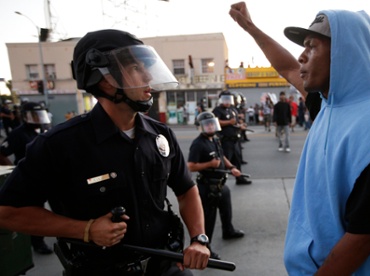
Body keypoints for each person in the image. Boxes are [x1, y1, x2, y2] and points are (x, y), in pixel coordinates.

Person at [0, 29, 210, 275]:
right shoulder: (59, 144)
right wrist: (85, 229)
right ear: (103, 79)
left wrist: (199, 239)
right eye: (135, 68)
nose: (147, 76)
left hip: (165, 264)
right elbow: (8, 213)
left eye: (147, 67)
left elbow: (186, 190)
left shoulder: (161, 135)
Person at [230, 3, 370, 275]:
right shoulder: (329, 106)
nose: (301, 56)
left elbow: (365, 235)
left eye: (311, 46)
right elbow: (288, 68)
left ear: (345, 54)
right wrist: (250, 28)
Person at [187, 112, 245, 260]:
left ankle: (228, 231)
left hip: (220, 184)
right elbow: (191, 166)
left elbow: (222, 155)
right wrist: (209, 164)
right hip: (207, 187)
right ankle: (206, 247)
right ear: (201, 127)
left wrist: (231, 167)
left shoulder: (215, 139)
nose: (210, 126)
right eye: (207, 125)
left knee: (227, 210)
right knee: (208, 218)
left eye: (212, 123)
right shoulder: (198, 144)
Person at [0, 102, 53, 255]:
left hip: (46, 176)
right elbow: (2, 152)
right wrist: (13, 169)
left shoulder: (44, 130)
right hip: (27, 178)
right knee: (34, 209)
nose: (37, 118)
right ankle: (37, 242)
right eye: (33, 115)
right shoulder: (18, 133)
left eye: (39, 114)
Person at [212, 91, 251, 185]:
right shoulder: (217, 110)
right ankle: (218, 183)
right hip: (225, 140)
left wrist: (240, 125)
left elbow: (236, 121)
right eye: (225, 99)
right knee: (225, 162)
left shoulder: (232, 109)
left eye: (229, 99)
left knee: (237, 161)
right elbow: (215, 122)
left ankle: (239, 178)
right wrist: (229, 122)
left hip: (235, 139)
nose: (227, 101)